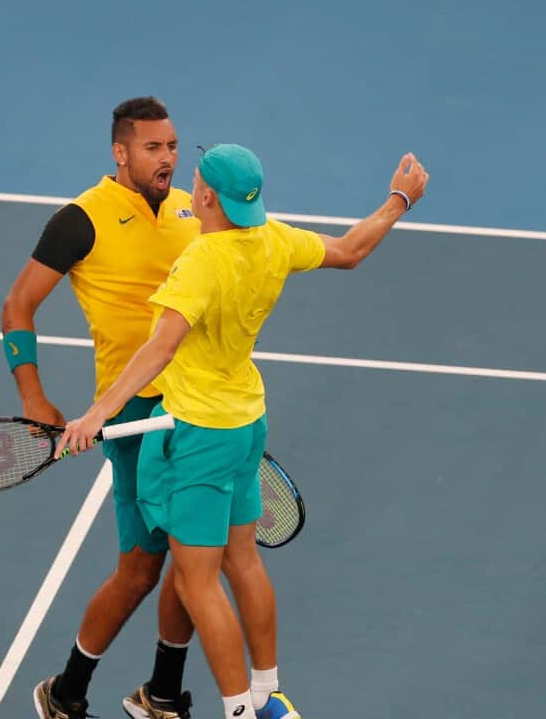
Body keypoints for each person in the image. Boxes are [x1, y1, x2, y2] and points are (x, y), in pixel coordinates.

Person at [56, 144, 429, 719]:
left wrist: (97, 413)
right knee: (245, 561)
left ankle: (237, 713)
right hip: (246, 422)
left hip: (201, 435)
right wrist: (399, 199)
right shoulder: (273, 239)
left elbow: (160, 346)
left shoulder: (201, 263)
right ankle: (267, 693)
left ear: (205, 197)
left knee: (199, 583)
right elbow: (351, 251)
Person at [1, 96, 198, 719]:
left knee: (197, 557)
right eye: (152, 148)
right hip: (134, 414)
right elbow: (17, 308)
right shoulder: (80, 220)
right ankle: (66, 691)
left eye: (170, 146)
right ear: (121, 152)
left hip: (199, 406)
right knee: (141, 571)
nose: (166, 157)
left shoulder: (197, 208)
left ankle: (163, 694)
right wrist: (34, 395)